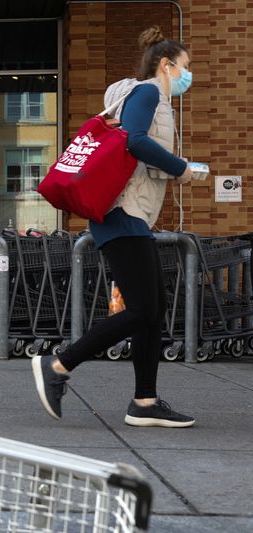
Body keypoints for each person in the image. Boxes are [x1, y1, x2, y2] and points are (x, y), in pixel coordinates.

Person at [32, 26, 195, 428]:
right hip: (121, 214)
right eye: (186, 68)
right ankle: (58, 364)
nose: (190, 76)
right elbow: (135, 141)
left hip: (130, 215)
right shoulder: (147, 93)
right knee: (143, 309)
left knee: (152, 312)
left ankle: (144, 401)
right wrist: (181, 169)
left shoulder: (148, 98)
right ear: (166, 64)